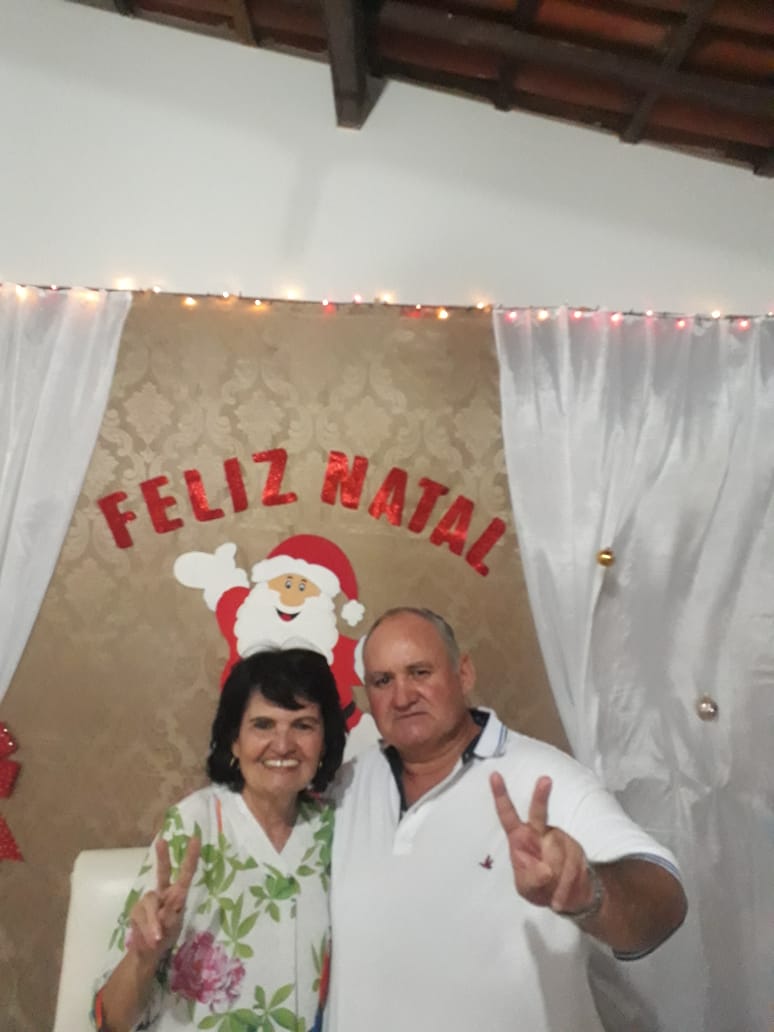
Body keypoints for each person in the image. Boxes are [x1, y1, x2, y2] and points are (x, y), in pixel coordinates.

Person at [325, 607, 688, 1032]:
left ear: (463, 674)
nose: (402, 697)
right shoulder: (348, 784)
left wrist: (588, 892)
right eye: (382, 681)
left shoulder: (546, 778)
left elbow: (665, 901)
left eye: (419, 672)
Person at [93, 648, 346, 1032]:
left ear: (324, 742)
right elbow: (111, 1022)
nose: (283, 744)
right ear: (234, 741)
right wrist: (146, 956)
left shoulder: (340, 829)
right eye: (263, 725)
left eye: (303, 725)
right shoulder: (193, 823)